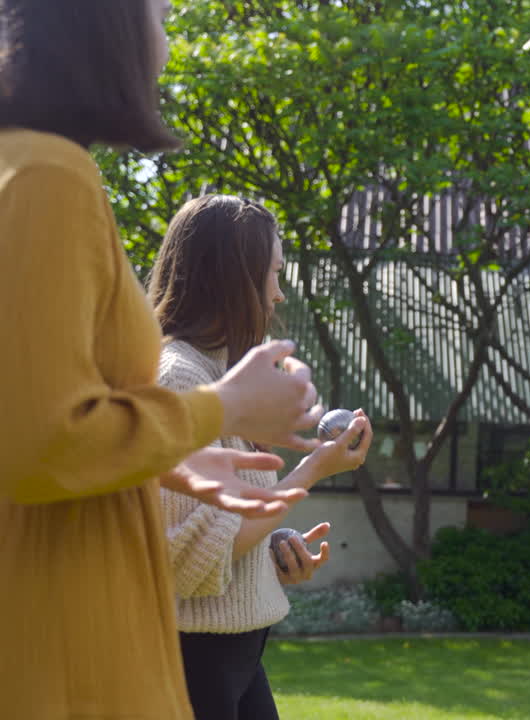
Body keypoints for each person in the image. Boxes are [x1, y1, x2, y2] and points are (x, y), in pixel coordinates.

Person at [0, 1, 325, 717]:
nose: (169, 41)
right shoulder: (49, 176)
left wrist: (167, 463)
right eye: (163, 16)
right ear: (107, 28)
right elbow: (36, 443)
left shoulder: (25, 166)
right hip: (57, 628)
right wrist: (225, 409)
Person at [150, 194, 373, 720]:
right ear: (233, 279)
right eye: (271, 273)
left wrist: (271, 547)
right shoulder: (179, 377)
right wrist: (316, 466)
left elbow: (222, 525)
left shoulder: (215, 372)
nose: (277, 293)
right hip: (193, 660)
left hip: (238, 655)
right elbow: (190, 557)